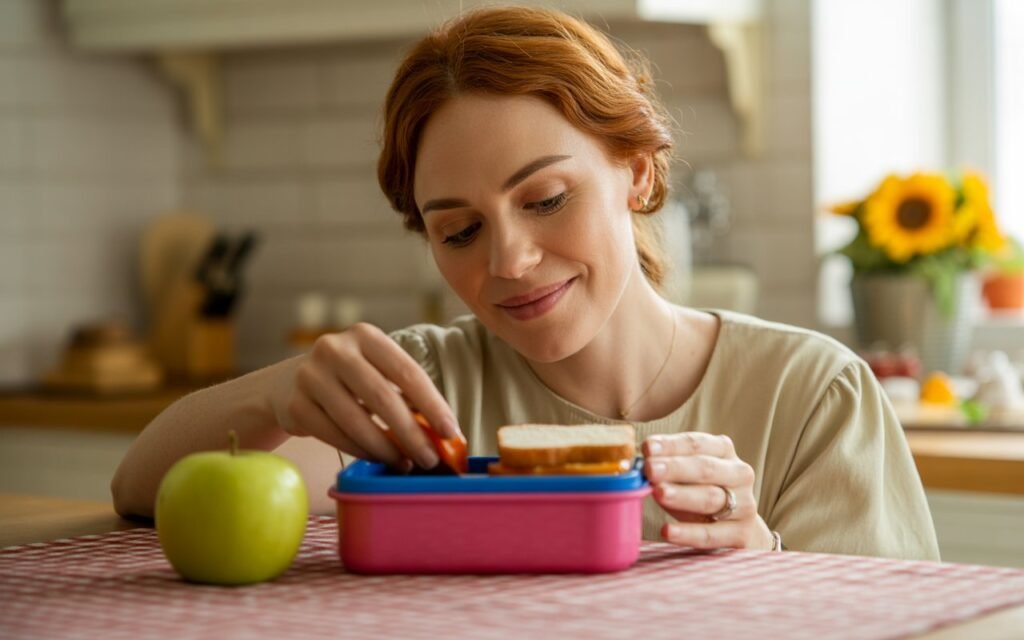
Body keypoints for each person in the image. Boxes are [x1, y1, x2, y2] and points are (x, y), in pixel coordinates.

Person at [112, 5, 940, 560]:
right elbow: (142, 490)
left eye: (545, 199)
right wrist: (280, 392)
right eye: (458, 230)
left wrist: (760, 558)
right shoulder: (422, 393)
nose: (507, 261)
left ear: (638, 174)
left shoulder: (813, 394)